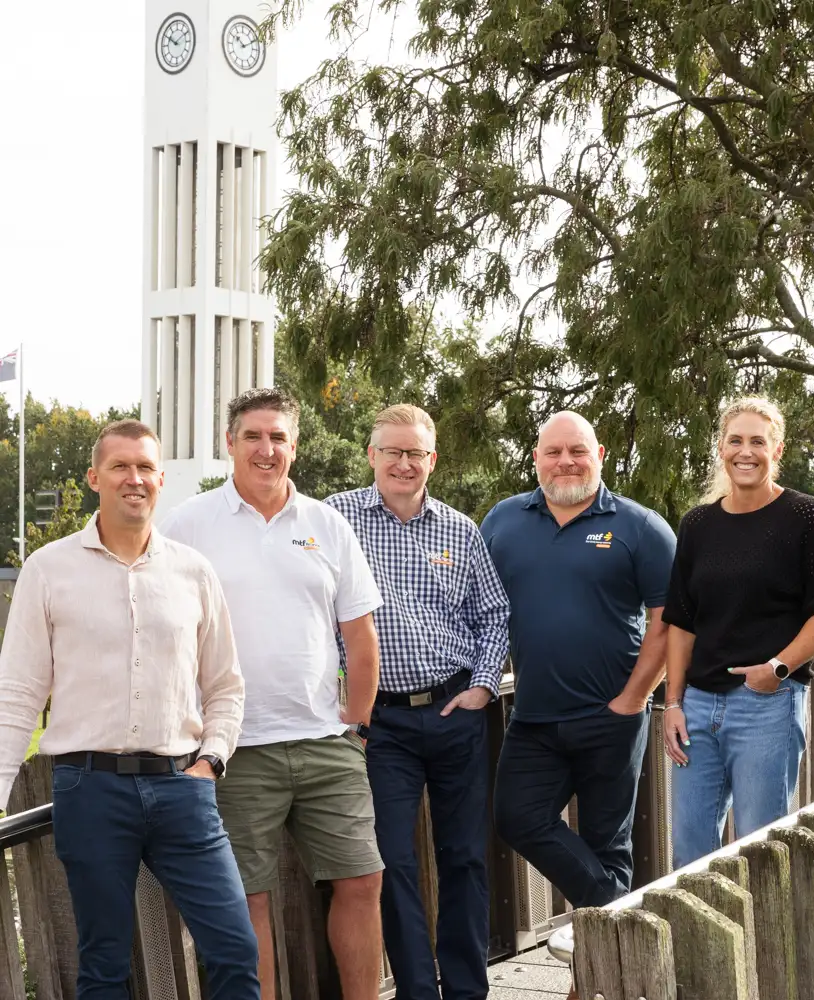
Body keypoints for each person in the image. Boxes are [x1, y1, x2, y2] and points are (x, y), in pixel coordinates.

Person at [0, 419, 260, 999]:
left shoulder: (193, 572)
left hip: (182, 788)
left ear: (161, 480)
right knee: (105, 964)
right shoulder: (49, 569)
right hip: (89, 791)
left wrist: (211, 762)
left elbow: (225, 685)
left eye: (145, 468)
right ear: (94, 477)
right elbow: (16, 696)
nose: (134, 479)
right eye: (120, 466)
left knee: (235, 949)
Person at [161, 389, 384, 1000]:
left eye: (278, 437)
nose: (267, 449)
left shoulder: (326, 524)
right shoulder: (186, 525)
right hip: (234, 749)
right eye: (253, 436)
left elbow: (360, 637)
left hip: (325, 742)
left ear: (294, 446)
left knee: (363, 881)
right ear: (229, 444)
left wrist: (356, 726)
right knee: (245, 899)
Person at [324, 404, 510, 1000]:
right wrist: (345, 705)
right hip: (380, 724)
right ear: (371, 454)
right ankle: (415, 991)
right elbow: (314, 614)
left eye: (416, 453)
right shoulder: (334, 519)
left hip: (456, 711)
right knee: (391, 865)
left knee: (464, 858)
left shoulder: (461, 529)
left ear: (433, 460)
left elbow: (494, 615)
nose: (404, 463)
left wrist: (483, 684)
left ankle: (465, 989)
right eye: (392, 451)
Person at [481, 410, 676, 907]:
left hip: (611, 716)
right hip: (532, 717)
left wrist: (634, 700)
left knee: (607, 845)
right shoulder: (502, 521)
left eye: (578, 451)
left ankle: (592, 978)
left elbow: (670, 620)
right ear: (536, 459)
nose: (566, 462)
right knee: (516, 818)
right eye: (554, 452)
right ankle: (620, 914)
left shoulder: (641, 527)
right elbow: (478, 606)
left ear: (599, 456)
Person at [662, 397, 814, 868]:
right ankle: (699, 944)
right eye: (736, 440)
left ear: (777, 450)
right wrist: (674, 703)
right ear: (721, 449)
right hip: (698, 711)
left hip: (767, 705)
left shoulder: (806, 516)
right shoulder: (697, 524)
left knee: (760, 852)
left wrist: (777, 669)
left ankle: (762, 946)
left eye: (758, 442)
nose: (746, 452)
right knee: (689, 853)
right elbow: (681, 622)